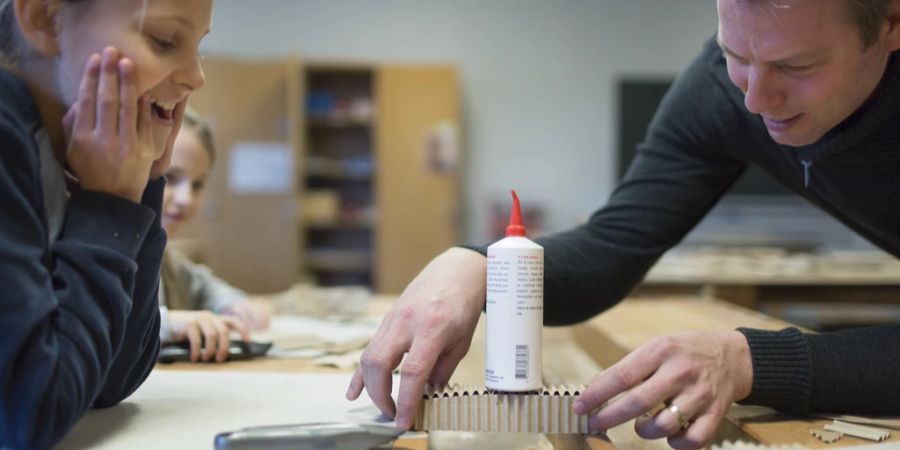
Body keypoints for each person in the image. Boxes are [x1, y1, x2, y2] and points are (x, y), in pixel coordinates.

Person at [346, 0, 900, 448]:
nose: (756, 98)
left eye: (796, 66)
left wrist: (750, 358)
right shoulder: (722, 89)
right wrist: (478, 265)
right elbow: (612, 249)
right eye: (738, 55)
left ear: (891, 23)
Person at [0, 0, 211, 448]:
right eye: (164, 40)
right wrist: (110, 206)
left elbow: (113, 379)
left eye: (198, 48)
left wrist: (144, 182)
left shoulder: (57, 149)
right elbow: (27, 413)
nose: (196, 76)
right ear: (44, 18)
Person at [159, 108, 271, 363]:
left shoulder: (161, 257)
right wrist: (167, 324)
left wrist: (235, 305)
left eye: (197, 185)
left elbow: (202, 285)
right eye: (169, 178)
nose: (186, 199)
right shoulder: (111, 251)